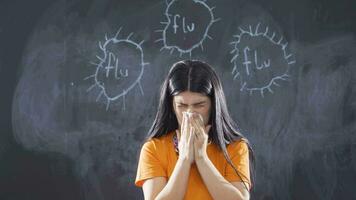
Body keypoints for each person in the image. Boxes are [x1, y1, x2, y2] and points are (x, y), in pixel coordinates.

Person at [135, 60, 255, 200]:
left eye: (199, 105)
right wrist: (184, 159)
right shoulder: (153, 149)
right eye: (182, 105)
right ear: (172, 106)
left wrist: (201, 157)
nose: (190, 113)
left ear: (213, 105)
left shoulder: (236, 147)